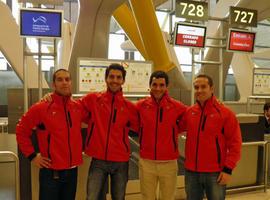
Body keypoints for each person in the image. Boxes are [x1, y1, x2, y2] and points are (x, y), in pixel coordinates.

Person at [16, 69, 87, 200]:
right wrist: (32, 156)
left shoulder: (77, 107)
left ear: (71, 82)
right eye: (60, 80)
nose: (64, 83)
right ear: (54, 84)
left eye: (67, 79)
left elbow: (95, 118)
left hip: (72, 171)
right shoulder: (41, 107)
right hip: (50, 172)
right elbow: (21, 130)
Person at [81, 63, 139, 200]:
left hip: (121, 161)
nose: (115, 80)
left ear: (123, 81)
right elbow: (72, 107)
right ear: (106, 78)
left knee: (119, 198)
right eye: (111, 76)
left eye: (118, 77)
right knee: (92, 197)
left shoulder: (129, 107)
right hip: (98, 160)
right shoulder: (93, 100)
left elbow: (140, 126)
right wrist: (50, 98)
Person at [180, 74, 242, 200]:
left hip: (215, 173)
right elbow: (172, 127)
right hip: (192, 172)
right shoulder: (190, 112)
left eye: (203, 87)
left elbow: (235, 144)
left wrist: (228, 169)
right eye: (196, 87)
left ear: (212, 89)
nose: (199, 90)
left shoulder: (225, 114)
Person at [136, 71, 187, 200]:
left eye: (161, 85)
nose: (158, 88)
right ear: (150, 86)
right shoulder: (141, 106)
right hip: (147, 162)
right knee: (147, 197)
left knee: (167, 197)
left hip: (169, 162)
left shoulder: (177, 106)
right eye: (155, 84)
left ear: (166, 87)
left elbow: (192, 117)